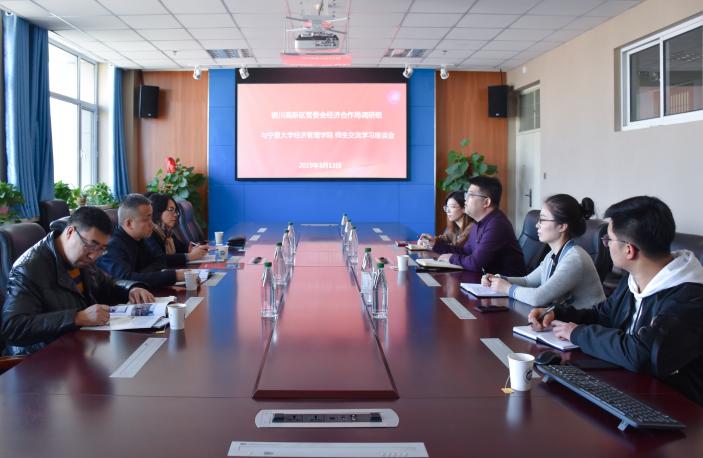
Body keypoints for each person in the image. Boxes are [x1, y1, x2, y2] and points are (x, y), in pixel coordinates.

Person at [528, 196, 703, 405]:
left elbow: (642, 354)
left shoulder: (690, 298)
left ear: (629, 250)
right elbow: (604, 315)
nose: (606, 245)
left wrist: (577, 333)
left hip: (677, 406)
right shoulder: (635, 278)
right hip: (630, 389)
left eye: (608, 240)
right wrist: (557, 312)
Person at [1, 206, 154, 356]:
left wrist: (130, 289)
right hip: (41, 357)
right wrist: (76, 317)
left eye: (102, 249)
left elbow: (107, 284)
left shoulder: (80, 259)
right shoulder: (29, 268)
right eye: (91, 245)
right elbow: (13, 327)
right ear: (70, 232)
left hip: (79, 345)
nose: (94, 256)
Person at [482, 194, 605, 308]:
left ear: (562, 226)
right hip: (565, 321)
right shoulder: (553, 255)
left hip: (587, 323)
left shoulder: (574, 259)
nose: (537, 225)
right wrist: (500, 279)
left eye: (542, 220)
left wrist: (507, 288)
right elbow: (528, 281)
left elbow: (538, 298)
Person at [426, 176, 526, 276]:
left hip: (506, 283)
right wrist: (436, 245)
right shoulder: (478, 222)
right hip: (486, 280)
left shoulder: (497, 225)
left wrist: (451, 258)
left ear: (486, 202)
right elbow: (466, 251)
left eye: (470, 195)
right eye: (466, 194)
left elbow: (476, 263)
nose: (465, 199)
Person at [97, 194, 187, 288]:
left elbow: (161, 260)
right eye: (146, 219)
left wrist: (141, 274)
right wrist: (174, 276)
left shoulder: (141, 238)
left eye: (151, 218)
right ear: (129, 223)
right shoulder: (112, 246)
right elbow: (127, 280)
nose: (152, 224)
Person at [146, 193, 208, 267]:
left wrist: (192, 249)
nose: (175, 214)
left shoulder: (167, 231)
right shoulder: (149, 233)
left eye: (175, 211)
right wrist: (190, 256)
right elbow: (161, 259)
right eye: (171, 210)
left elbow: (180, 248)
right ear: (158, 211)